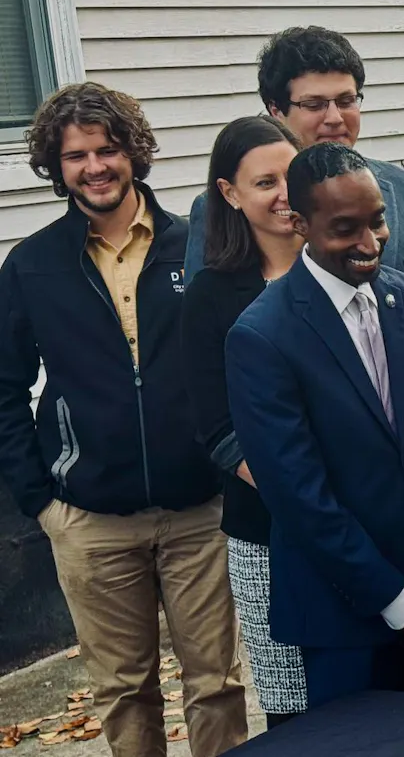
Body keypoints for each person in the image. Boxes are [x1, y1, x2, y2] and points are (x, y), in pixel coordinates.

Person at [0, 83, 247, 756]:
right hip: (90, 521)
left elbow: (241, 360)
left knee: (217, 683)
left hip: (200, 510)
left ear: (133, 154)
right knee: (123, 689)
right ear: (57, 166)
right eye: (76, 155)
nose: (94, 166)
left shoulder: (195, 248)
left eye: (107, 149)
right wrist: (40, 500)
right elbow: (4, 386)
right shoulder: (32, 266)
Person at [225, 142, 404, 708]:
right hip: (346, 619)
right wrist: (396, 597)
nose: (369, 244)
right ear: (299, 222)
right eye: (345, 228)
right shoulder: (261, 335)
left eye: (377, 222)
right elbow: (297, 495)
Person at [181, 116, 308, 728]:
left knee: (372, 701)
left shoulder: (346, 267)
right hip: (265, 529)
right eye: (265, 183)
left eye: (292, 175)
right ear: (230, 194)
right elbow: (216, 426)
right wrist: (300, 494)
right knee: (292, 710)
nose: (285, 194)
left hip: (368, 522)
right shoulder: (211, 294)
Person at [186, 26, 404, 280]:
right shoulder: (218, 207)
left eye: (346, 100)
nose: (335, 118)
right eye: (314, 104)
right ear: (276, 111)